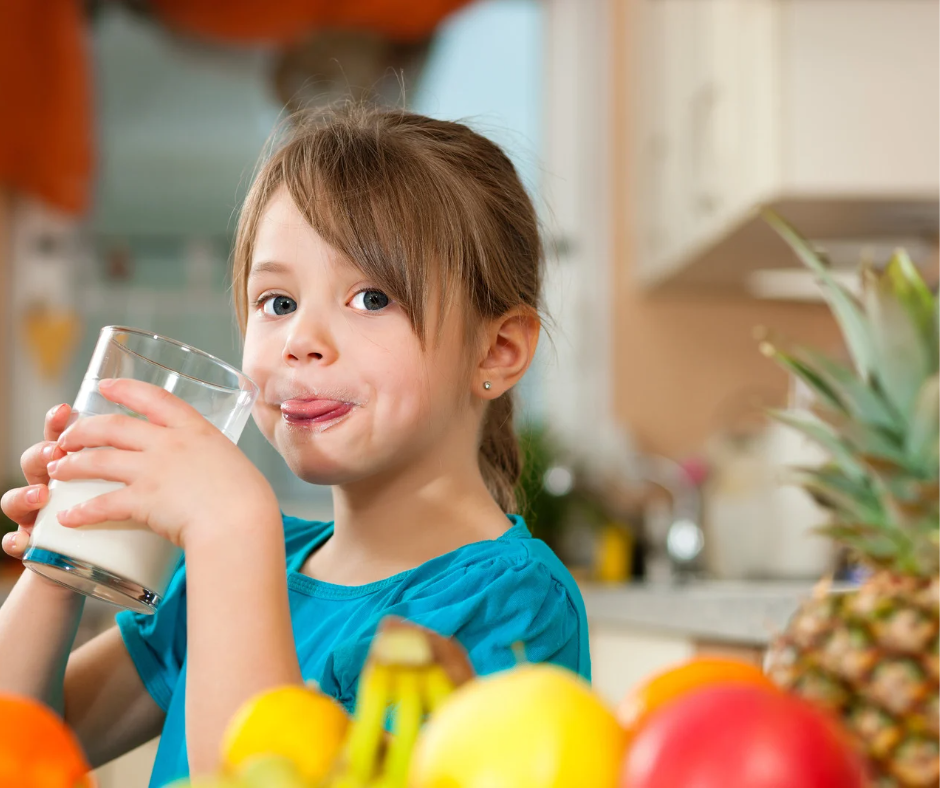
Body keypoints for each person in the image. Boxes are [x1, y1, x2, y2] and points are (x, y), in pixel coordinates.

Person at [0, 106, 589, 787]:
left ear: (498, 348)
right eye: (276, 302)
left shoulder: (513, 603)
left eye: (371, 298)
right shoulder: (255, 563)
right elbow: (25, 746)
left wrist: (231, 528)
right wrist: (62, 559)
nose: (299, 340)